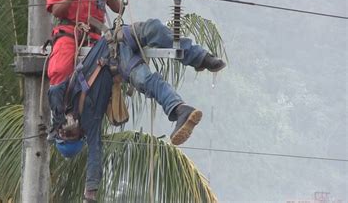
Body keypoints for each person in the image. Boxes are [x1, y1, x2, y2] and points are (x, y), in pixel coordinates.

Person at [50, 18, 226, 202]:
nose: (67, 131)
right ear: (80, 136)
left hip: (117, 37)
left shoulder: (63, 100)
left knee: (154, 28)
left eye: (63, 134)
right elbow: (95, 156)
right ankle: (180, 109)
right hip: (116, 59)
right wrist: (90, 195)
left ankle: (201, 57)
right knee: (144, 80)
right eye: (70, 136)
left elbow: (53, 91)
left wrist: (58, 122)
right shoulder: (90, 123)